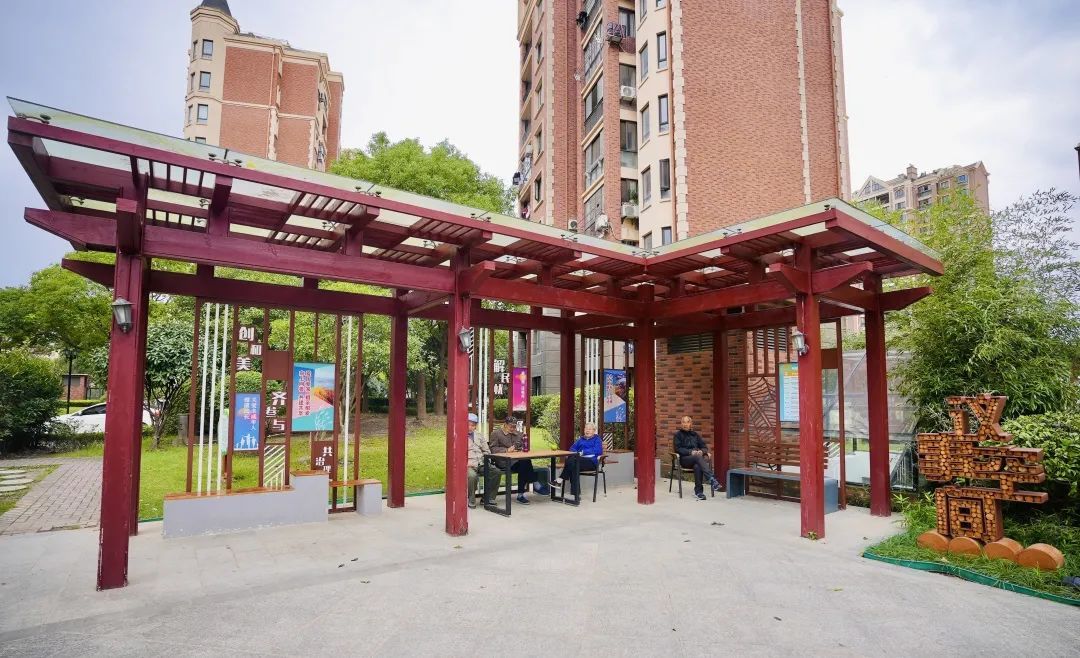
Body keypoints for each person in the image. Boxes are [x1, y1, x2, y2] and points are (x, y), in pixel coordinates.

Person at [489, 416, 538, 505]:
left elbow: (522, 445)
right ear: (505, 424)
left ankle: (521, 494)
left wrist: (520, 448)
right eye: (510, 426)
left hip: (517, 460)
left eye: (514, 426)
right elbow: (493, 449)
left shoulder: (518, 434)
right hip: (503, 461)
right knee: (525, 464)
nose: (512, 428)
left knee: (525, 463)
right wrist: (506, 450)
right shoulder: (496, 433)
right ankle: (533, 484)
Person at [674, 415, 721, 500]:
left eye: (687, 422)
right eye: (683, 422)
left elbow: (704, 447)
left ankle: (699, 492)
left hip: (696, 460)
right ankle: (711, 478)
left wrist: (702, 451)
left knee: (697, 466)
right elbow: (678, 449)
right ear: (681, 424)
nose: (685, 424)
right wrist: (690, 452)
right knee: (697, 457)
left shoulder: (695, 435)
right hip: (684, 459)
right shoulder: (678, 435)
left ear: (691, 424)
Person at [551, 422, 603, 497]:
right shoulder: (581, 439)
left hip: (591, 462)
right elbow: (572, 448)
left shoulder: (597, 439)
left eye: (590, 429)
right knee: (574, 465)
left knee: (572, 461)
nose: (587, 430)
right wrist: (577, 452)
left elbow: (597, 450)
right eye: (586, 429)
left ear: (594, 431)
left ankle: (560, 480)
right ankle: (576, 496)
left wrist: (583, 452)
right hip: (578, 460)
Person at [466, 413, 499, 509]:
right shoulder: (459, 435)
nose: (470, 427)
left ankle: (488, 498)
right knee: (472, 476)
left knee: (496, 472)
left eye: (472, 425)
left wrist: (485, 459)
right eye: (468, 424)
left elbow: (486, 450)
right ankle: (471, 499)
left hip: (481, 463)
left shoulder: (479, 435)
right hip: (468, 464)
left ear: (475, 426)